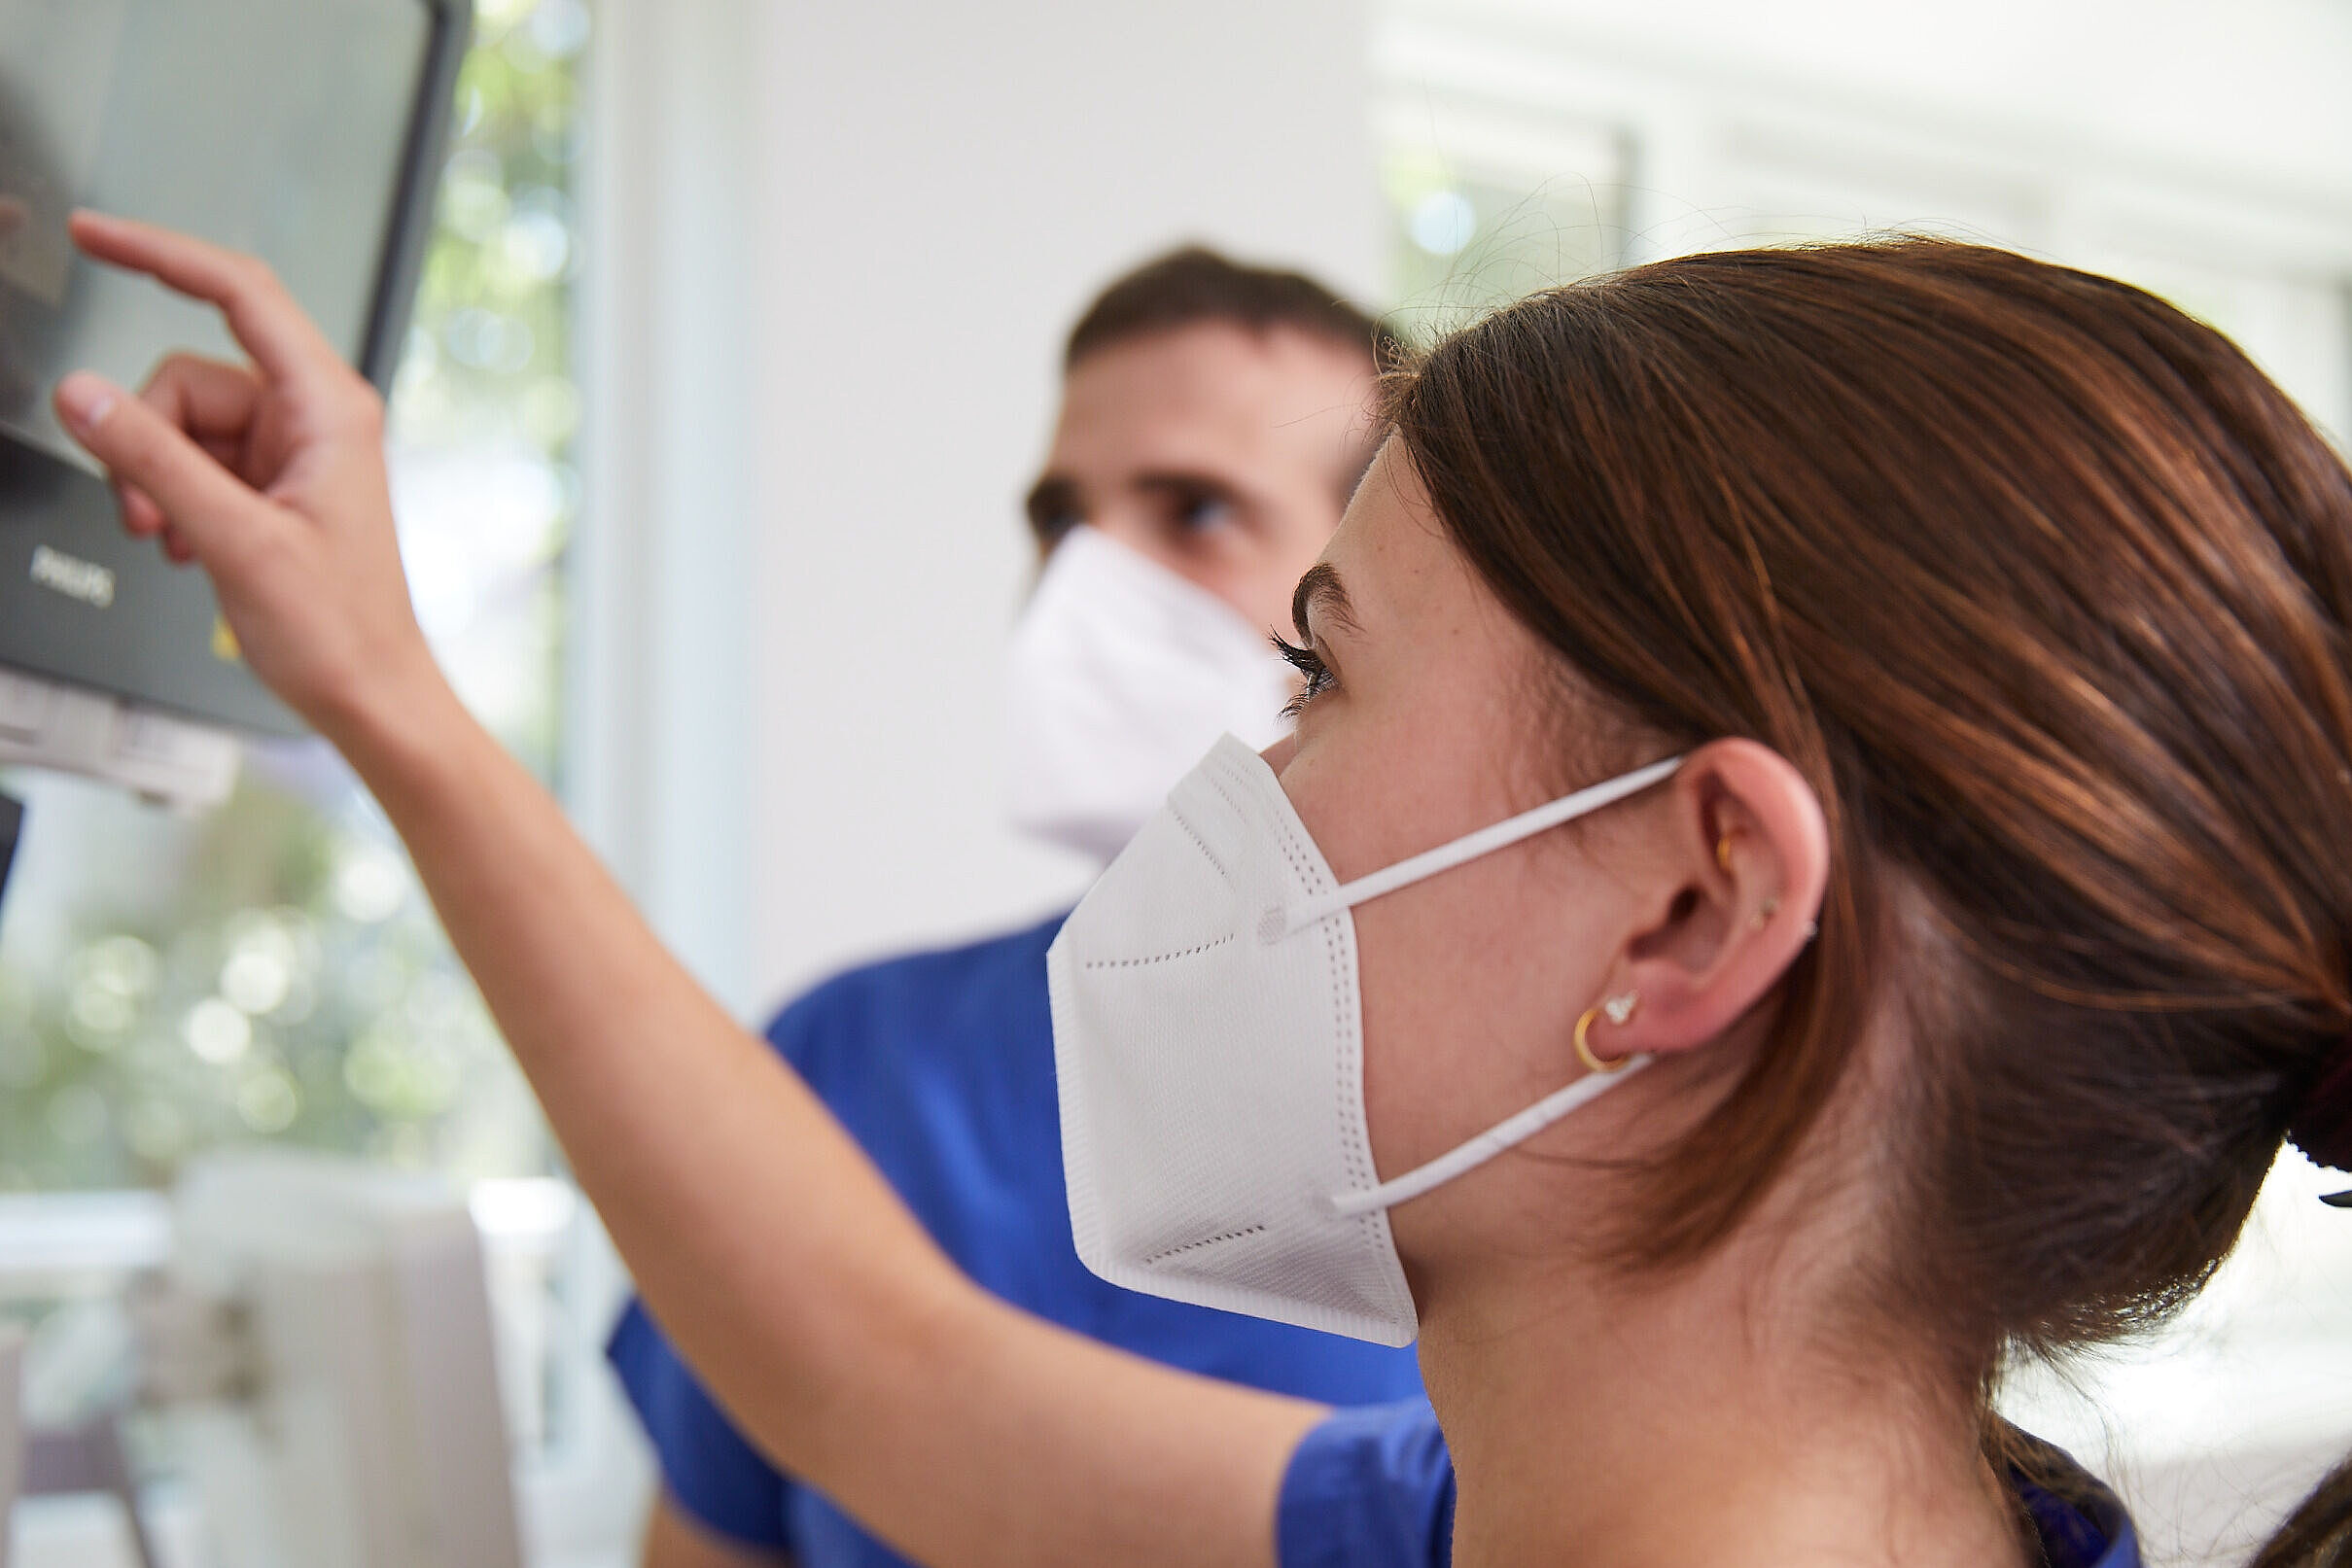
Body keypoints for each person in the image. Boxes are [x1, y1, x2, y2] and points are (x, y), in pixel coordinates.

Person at [55, 210, 2352, 1568]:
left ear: (1685, 912)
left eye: (1311, 678)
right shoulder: (1514, 1516)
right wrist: (385, 692)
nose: (1227, 787)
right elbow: (885, 1375)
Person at [606, 247, 1426, 1568]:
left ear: (1362, 584)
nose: (1084, 587)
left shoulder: (1492, 1103)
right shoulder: (854, 1060)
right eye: (1060, 521)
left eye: (1196, 512)